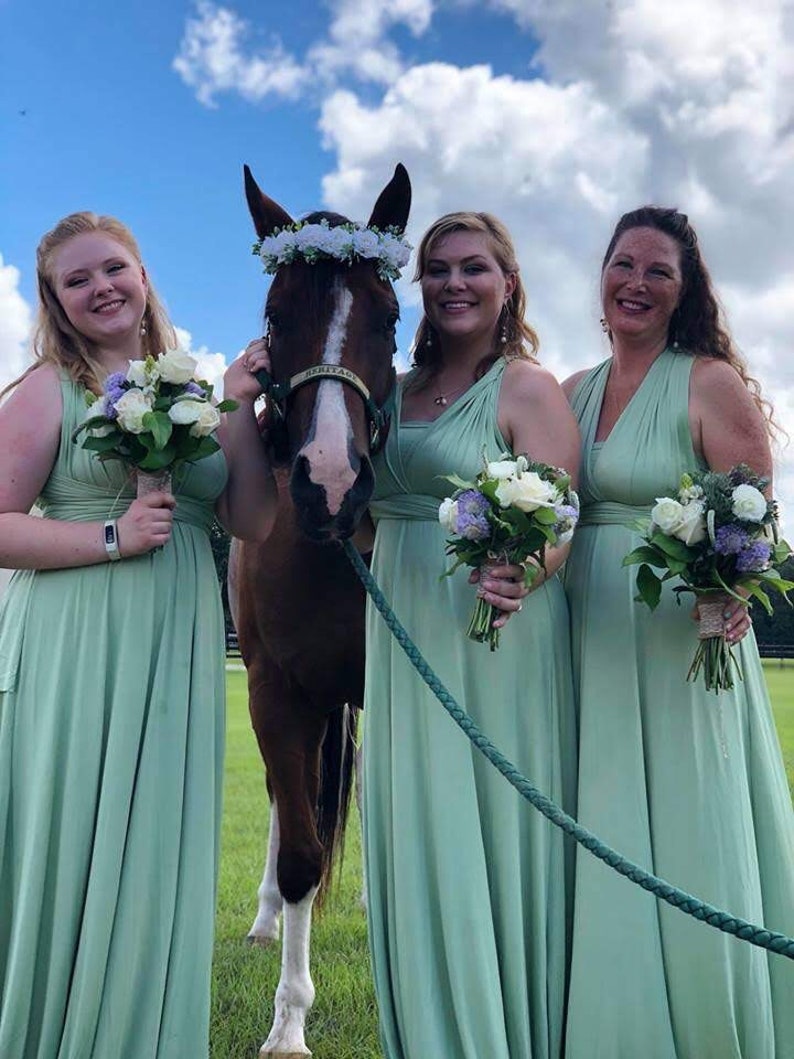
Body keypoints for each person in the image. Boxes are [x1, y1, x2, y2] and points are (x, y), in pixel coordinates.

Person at [0, 211, 276, 1058]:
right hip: (75, 641)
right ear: (54, 300)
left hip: (175, 646)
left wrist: (234, 408)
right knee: (70, 845)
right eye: (76, 280)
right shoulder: (51, 386)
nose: (101, 288)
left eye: (113, 268)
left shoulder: (192, 389)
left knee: (153, 851)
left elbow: (255, 518)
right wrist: (111, 536)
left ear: (144, 275)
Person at [562, 206, 794, 1057]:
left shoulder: (708, 383)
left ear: (685, 290)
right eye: (625, 263)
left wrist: (733, 588)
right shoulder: (568, 392)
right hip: (579, 638)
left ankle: (703, 1022)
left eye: (660, 270)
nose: (637, 282)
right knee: (598, 817)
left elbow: (751, 516)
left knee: (685, 827)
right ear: (602, 275)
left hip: (679, 642)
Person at [362, 211, 581, 1058]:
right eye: (439, 269)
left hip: (498, 630)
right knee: (416, 827)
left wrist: (525, 571)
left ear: (508, 282)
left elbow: (563, 514)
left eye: (474, 268)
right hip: (402, 620)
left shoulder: (527, 386)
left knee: (487, 826)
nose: (455, 283)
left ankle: (507, 1031)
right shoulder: (392, 388)